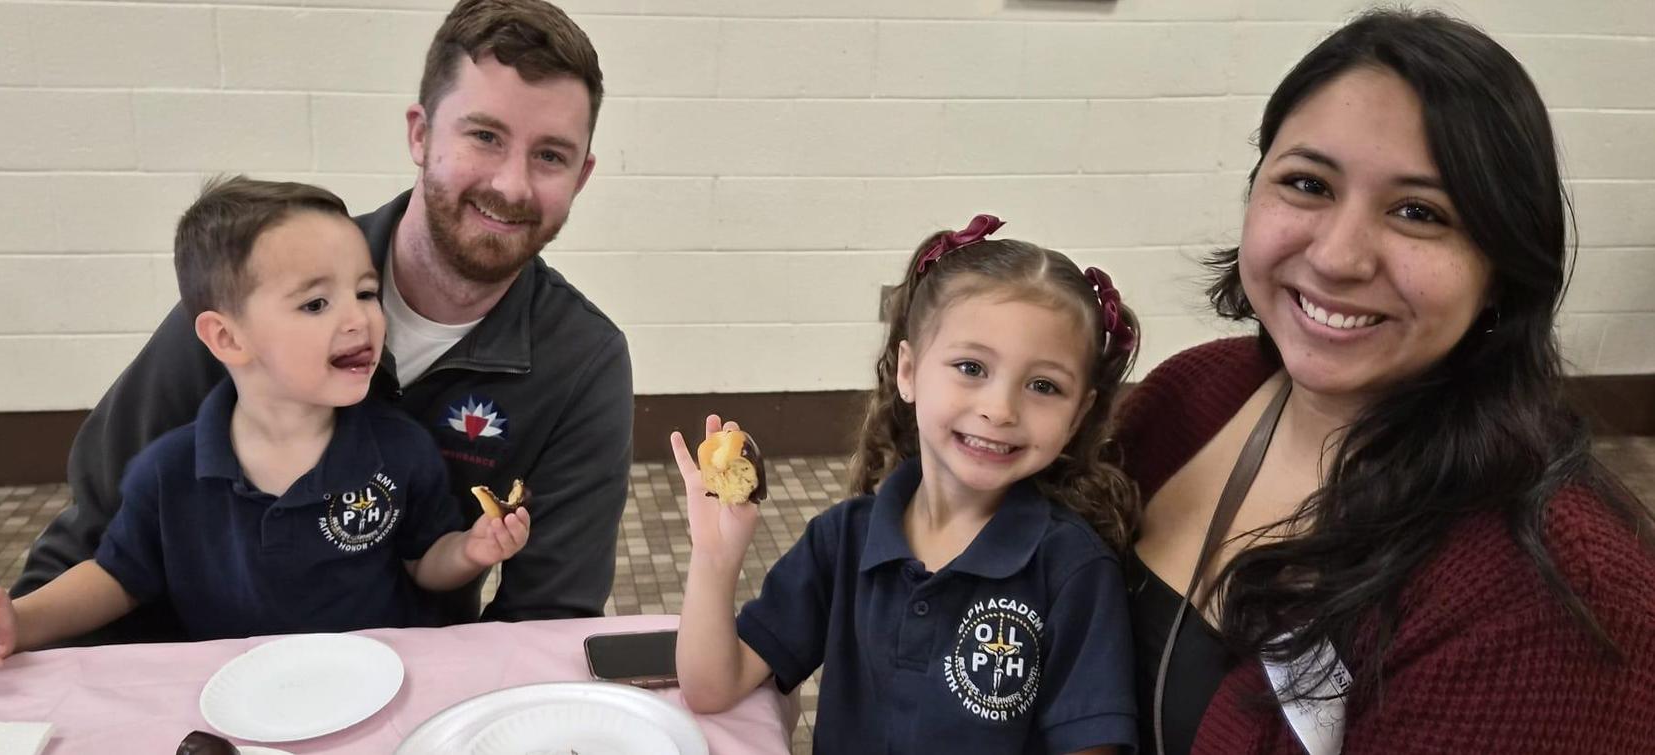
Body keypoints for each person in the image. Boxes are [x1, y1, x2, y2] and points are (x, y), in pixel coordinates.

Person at [1116, 9, 1655, 754]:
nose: (1338, 256)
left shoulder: (1552, 596)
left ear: (1504, 262)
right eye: (1307, 183)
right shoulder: (1192, 396)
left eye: (1417, 211)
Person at [12, 0, 631, 639]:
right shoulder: (259, 282)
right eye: (484, 136)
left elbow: (548, 617)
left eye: (551, 156)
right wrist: (22, 654)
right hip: (197, 681)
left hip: (402, 681)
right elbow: (97, 527)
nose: (513, 185)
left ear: (582, 176)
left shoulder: (582, 360)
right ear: (420, 134)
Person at [0, 178, 533, 671]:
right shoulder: (169, 472)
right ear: (226, 337)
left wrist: (471, 551)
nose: (359, 319)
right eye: (315, 304)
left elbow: (423, 564)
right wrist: (17, 623)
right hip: (230, 701)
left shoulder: (399, 450)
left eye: (366, 291)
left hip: (372, 687)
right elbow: (116, 578)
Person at [672, 216, 1143, 753]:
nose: (1000, 409)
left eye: (1043, 385)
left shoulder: (1074, 571)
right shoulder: (843, 541)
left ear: (1079, 415)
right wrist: (714, 557)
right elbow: (712, 687)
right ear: (909, 371)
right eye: (971, 367)